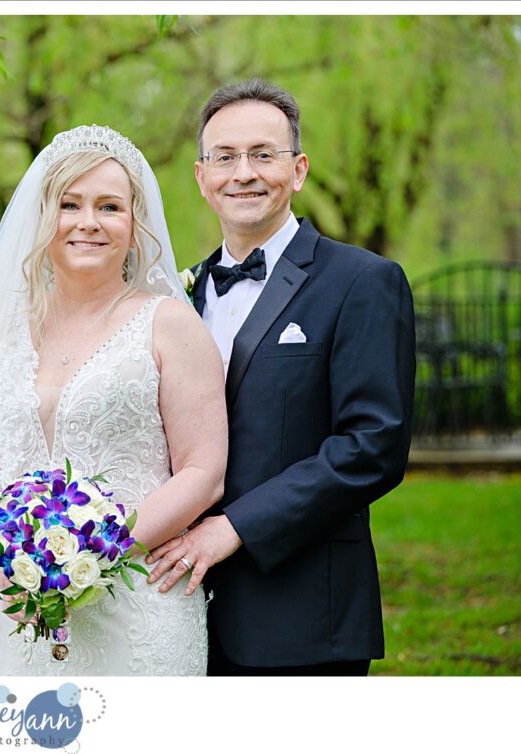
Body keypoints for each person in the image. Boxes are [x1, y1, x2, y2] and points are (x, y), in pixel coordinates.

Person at [0, 125, 228, 676]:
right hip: (19, 610)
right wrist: (6, 555)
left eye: (109, 206)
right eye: (70, 204)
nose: (88, 222)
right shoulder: (7, 330)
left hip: (139, 604)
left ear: (134, 225)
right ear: (43, 218)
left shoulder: (170, 325)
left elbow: (203, 471)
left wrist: (100, 552)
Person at [147, 79, 416, 676]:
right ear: (201, 176)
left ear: (297, 171)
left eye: (262, 155)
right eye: (225, 157)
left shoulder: (363, 281)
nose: (243, 172)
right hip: (175, 614)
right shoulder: (172, 297)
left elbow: (372, 446)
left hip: (303, 614)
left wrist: (237, 528)